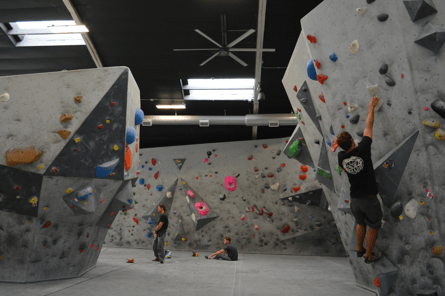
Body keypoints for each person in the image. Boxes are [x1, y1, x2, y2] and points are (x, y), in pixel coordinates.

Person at [337, 96, 383, 264]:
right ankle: (369, 256)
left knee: (360, 222)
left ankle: (359, 249)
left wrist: (338, 145)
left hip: (355, 199)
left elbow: (343, 164)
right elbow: (369, 125)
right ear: (352, 141)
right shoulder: (363, 148)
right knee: (374, 226)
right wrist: (371, 107)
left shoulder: (341, 157)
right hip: (369, 198)